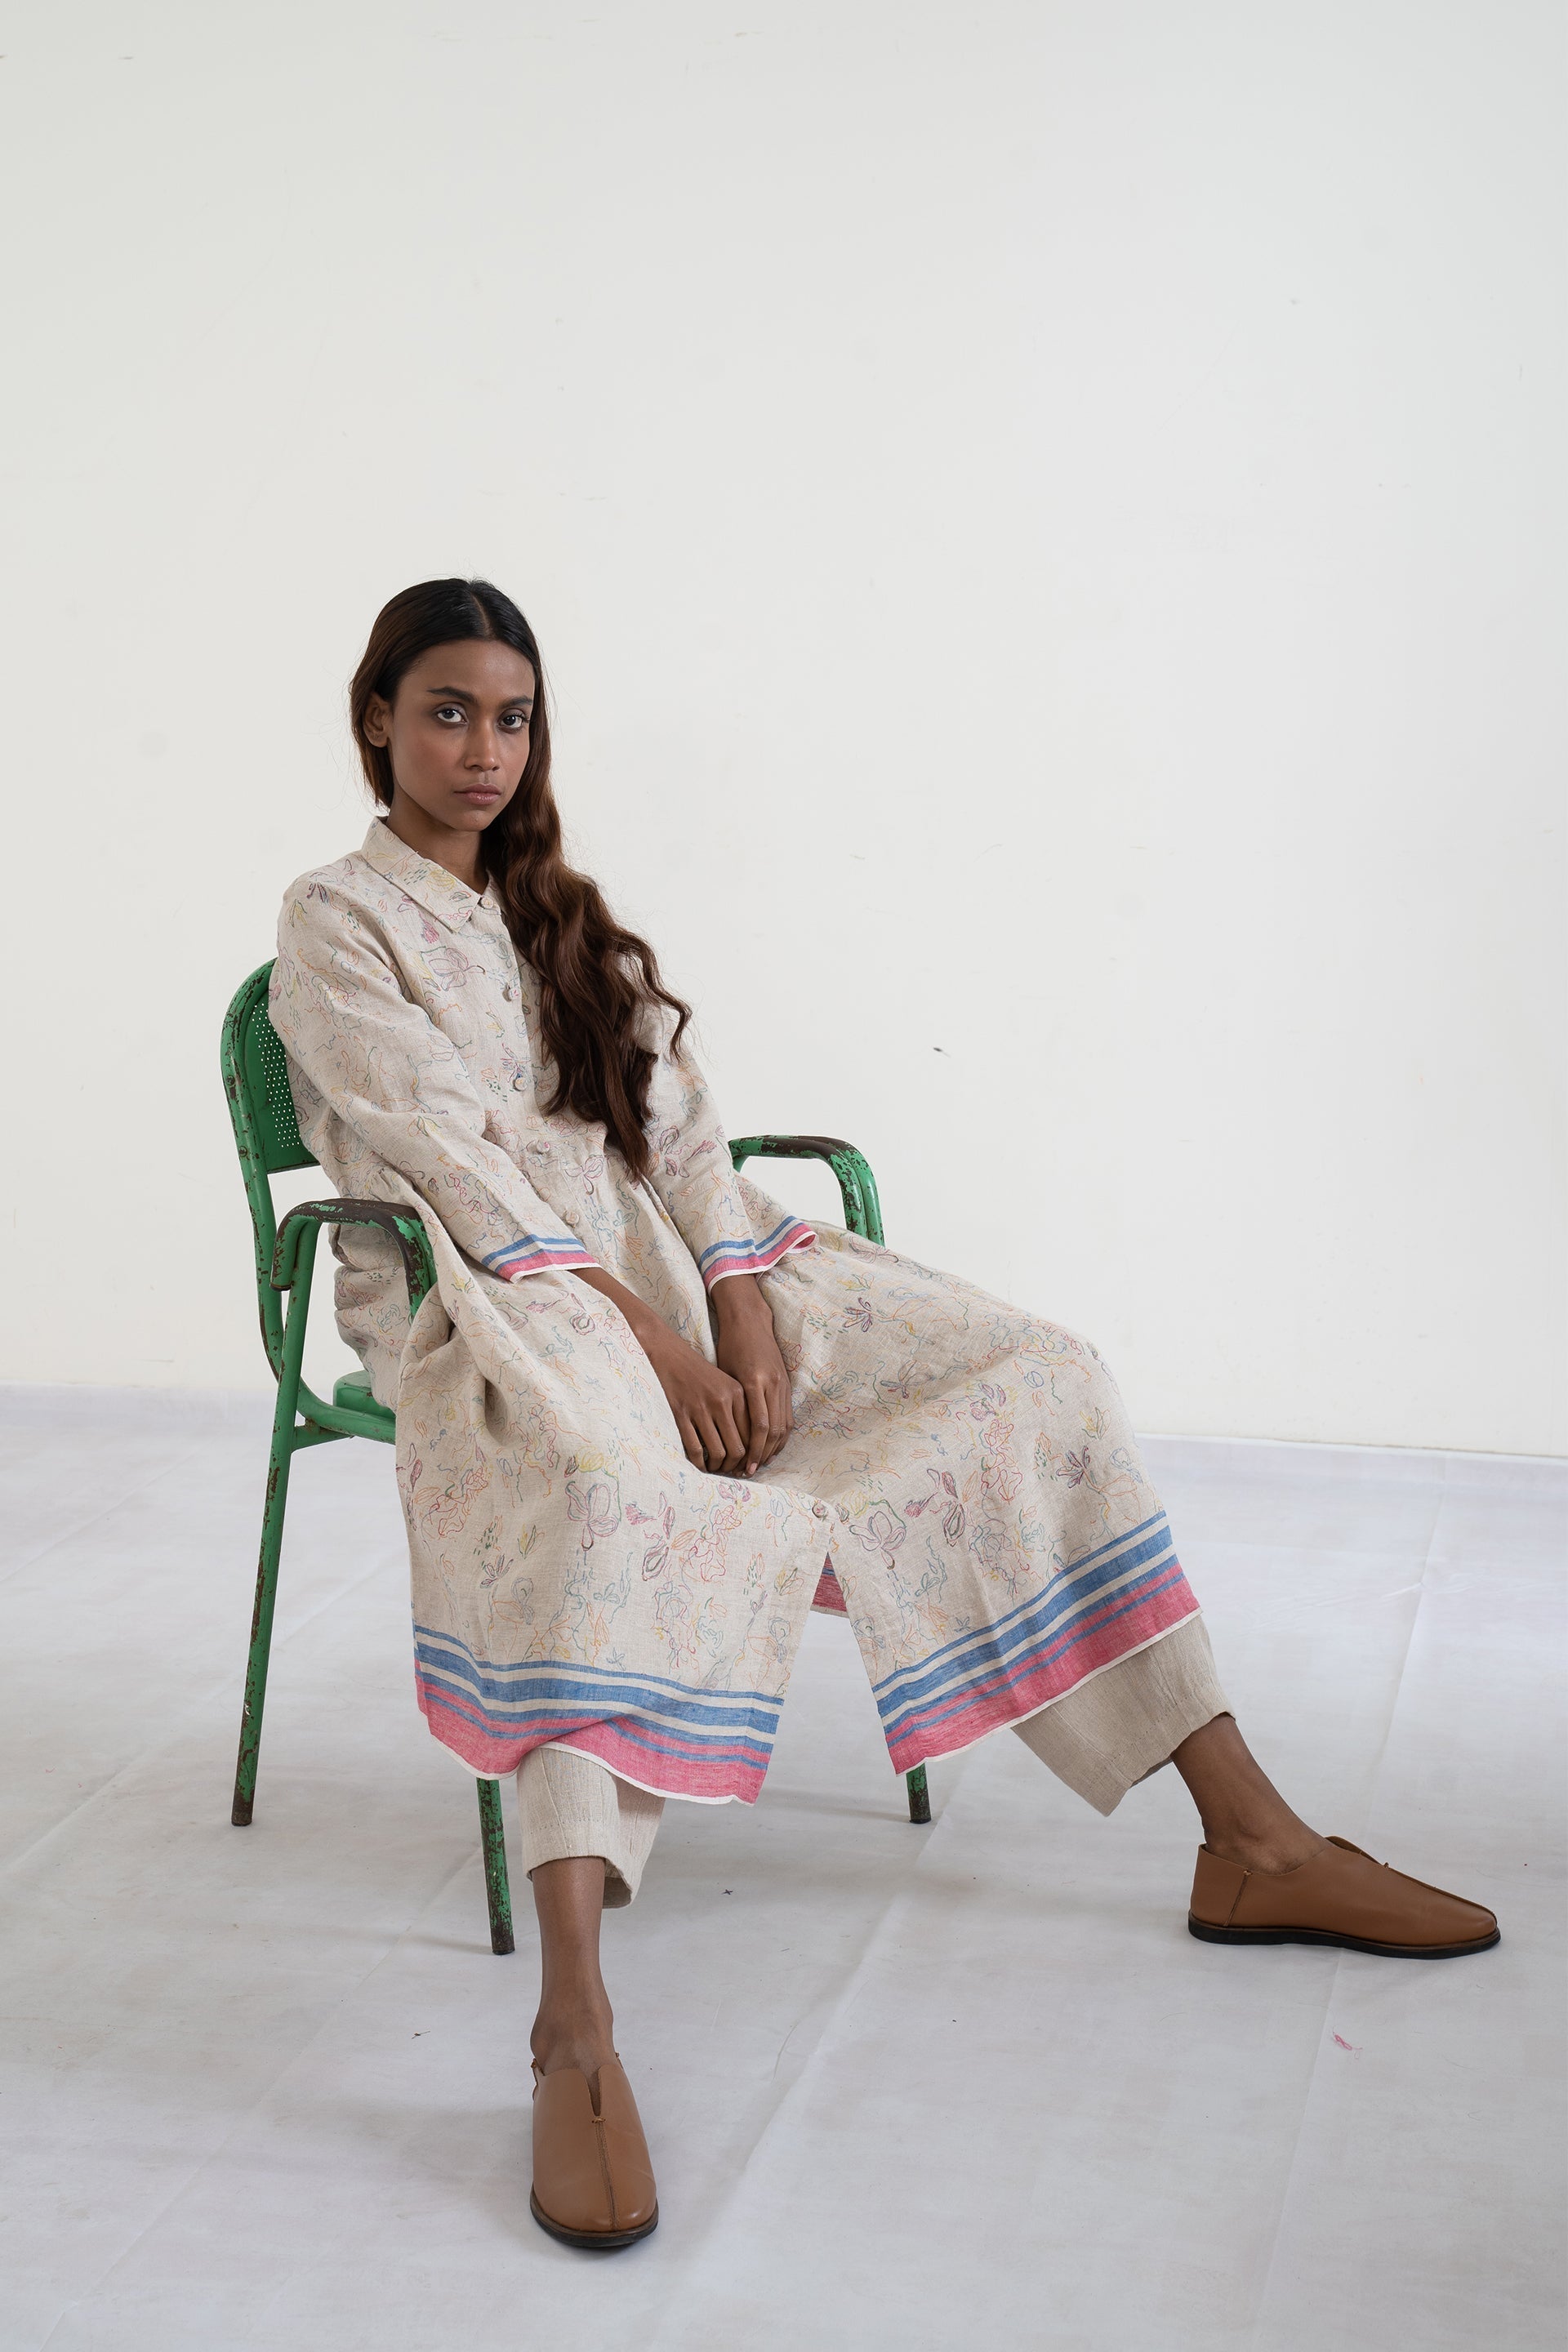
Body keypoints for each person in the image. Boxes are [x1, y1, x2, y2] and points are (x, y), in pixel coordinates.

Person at [270, 578, 1499, 2252]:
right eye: (446, 713)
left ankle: (1253, 1838)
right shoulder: (336, 919)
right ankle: (574, 2024)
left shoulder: (555, 910)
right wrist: (663, 1354)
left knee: (1036, 1376)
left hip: (677, 1273)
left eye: (514, 718)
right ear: (376, 721)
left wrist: (742, 1303)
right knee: (605, 1484)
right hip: (496, 1292)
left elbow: (680, 1129)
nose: (485, 750)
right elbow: (452, 1168)